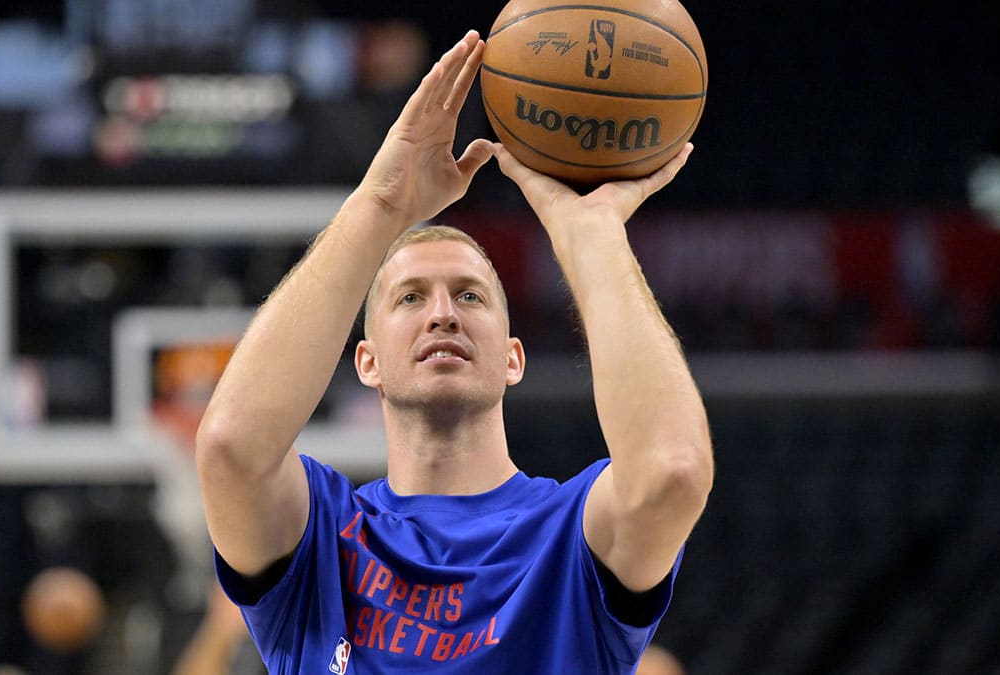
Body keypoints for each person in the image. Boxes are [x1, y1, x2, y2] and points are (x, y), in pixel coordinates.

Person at [195, 29, 713, 673]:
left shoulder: (572, 534)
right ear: (367, 362)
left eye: (470, 297)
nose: (442, 312)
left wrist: (591, 233)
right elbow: (229, 449)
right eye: (409, 298)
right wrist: (379, 205)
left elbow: (672, 472)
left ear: (513, 357)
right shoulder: (321, 535)